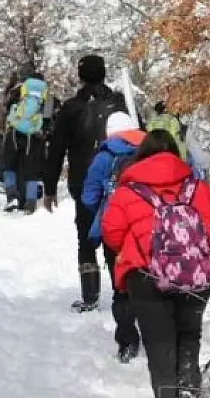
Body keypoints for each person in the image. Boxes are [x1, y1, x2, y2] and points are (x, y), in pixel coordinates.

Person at [101, 130, 210, 398]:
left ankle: (167, 393)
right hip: (195, 274)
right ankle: (188, 387)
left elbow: (111, 232)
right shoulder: (199, 188)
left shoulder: (127, 192)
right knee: (188, 336)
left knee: (159, 345)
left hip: (146, 277)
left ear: (142, 156)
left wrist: (135, 251)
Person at [44, 54, 128, 311]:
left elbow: (57, 148)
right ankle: (121, 291)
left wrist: (49, 188)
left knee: (86, 237)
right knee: (117, 236)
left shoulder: (71, 108)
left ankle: (90, 296)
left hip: (83, 181)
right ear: (104, 73)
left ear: (80, 75)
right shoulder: (119, 104)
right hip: (119, 181)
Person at [80, 112, 146, 361]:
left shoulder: (105, 157)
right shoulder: (153, 149)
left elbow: (88, 197)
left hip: (116, 229)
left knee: (122, 285)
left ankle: (128, 340)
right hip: (150, 226)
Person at [2, 65, 52, 214]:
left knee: (10, 166)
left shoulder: (16, 90)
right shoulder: (46, 94)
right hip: (34, 136)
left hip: (14, 133)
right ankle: (30, 202)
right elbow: (48, 116)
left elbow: (6, 109)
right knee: (32, 170)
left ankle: (12, 196)